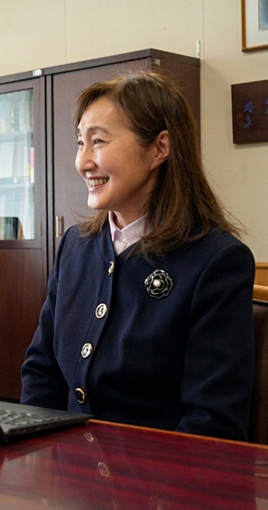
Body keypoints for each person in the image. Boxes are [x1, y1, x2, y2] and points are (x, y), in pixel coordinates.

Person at [20, 72, 255, 440]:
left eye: (98, 141)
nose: (82, 161)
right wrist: (34, 451)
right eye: (80, 143)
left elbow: (212, 422)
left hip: (157, 488)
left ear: (159, 148)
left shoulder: (218, 261)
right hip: (70, 478)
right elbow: (41, 371)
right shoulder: (74, 247)